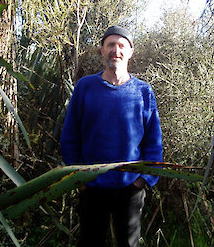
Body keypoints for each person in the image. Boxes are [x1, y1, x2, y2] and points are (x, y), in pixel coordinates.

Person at [60, 25, 163, 247]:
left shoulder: (143, 92)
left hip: (129, 187)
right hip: (92, 185)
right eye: (110, 45)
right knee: (90, 242)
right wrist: (80, 179)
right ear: (102, 50)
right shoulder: (85, 87)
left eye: (121, 45)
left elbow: (154, 142)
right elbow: (70, 136)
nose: (116, 50)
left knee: (129, 244)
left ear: (130, 51)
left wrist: (142, 180)